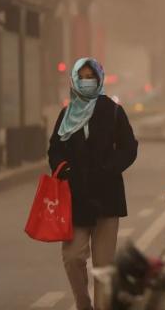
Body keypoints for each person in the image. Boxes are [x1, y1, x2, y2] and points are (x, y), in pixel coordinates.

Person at [48, 57, 138, 310]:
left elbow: (129, 147)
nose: (87, 82)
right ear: (74, 80)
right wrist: (64, 169)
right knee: (73, 257)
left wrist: (109, 168)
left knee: (103, 266)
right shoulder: (66, 114)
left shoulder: (112, 111)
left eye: (91, 77)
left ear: (99, 80)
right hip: (75, 198)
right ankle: (83, 303)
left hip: (107, 197)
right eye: (82, 77)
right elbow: (54, 149)